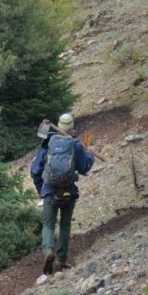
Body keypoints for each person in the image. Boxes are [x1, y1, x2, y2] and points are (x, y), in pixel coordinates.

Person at [31, 112, 95, 274]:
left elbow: (35, 170)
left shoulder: (48, 143)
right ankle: (61, 260)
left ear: (58, 126)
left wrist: (41, 189)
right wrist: (90, 154)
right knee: (65, 225)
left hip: (49, 190)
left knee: (48, 224)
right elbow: (84, 168)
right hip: (69, 191)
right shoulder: (76, 145)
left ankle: (48, 250)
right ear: (72, 127)